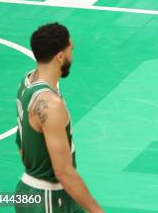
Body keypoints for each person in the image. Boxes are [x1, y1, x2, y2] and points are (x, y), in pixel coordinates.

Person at [15, 23, 103, 212]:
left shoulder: (28, 81)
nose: (72, 55)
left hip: (37, 191)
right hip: (49, 199)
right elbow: (63, 172)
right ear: (60, 57)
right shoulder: (50, 104)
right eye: (70, 50)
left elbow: (22, 147)